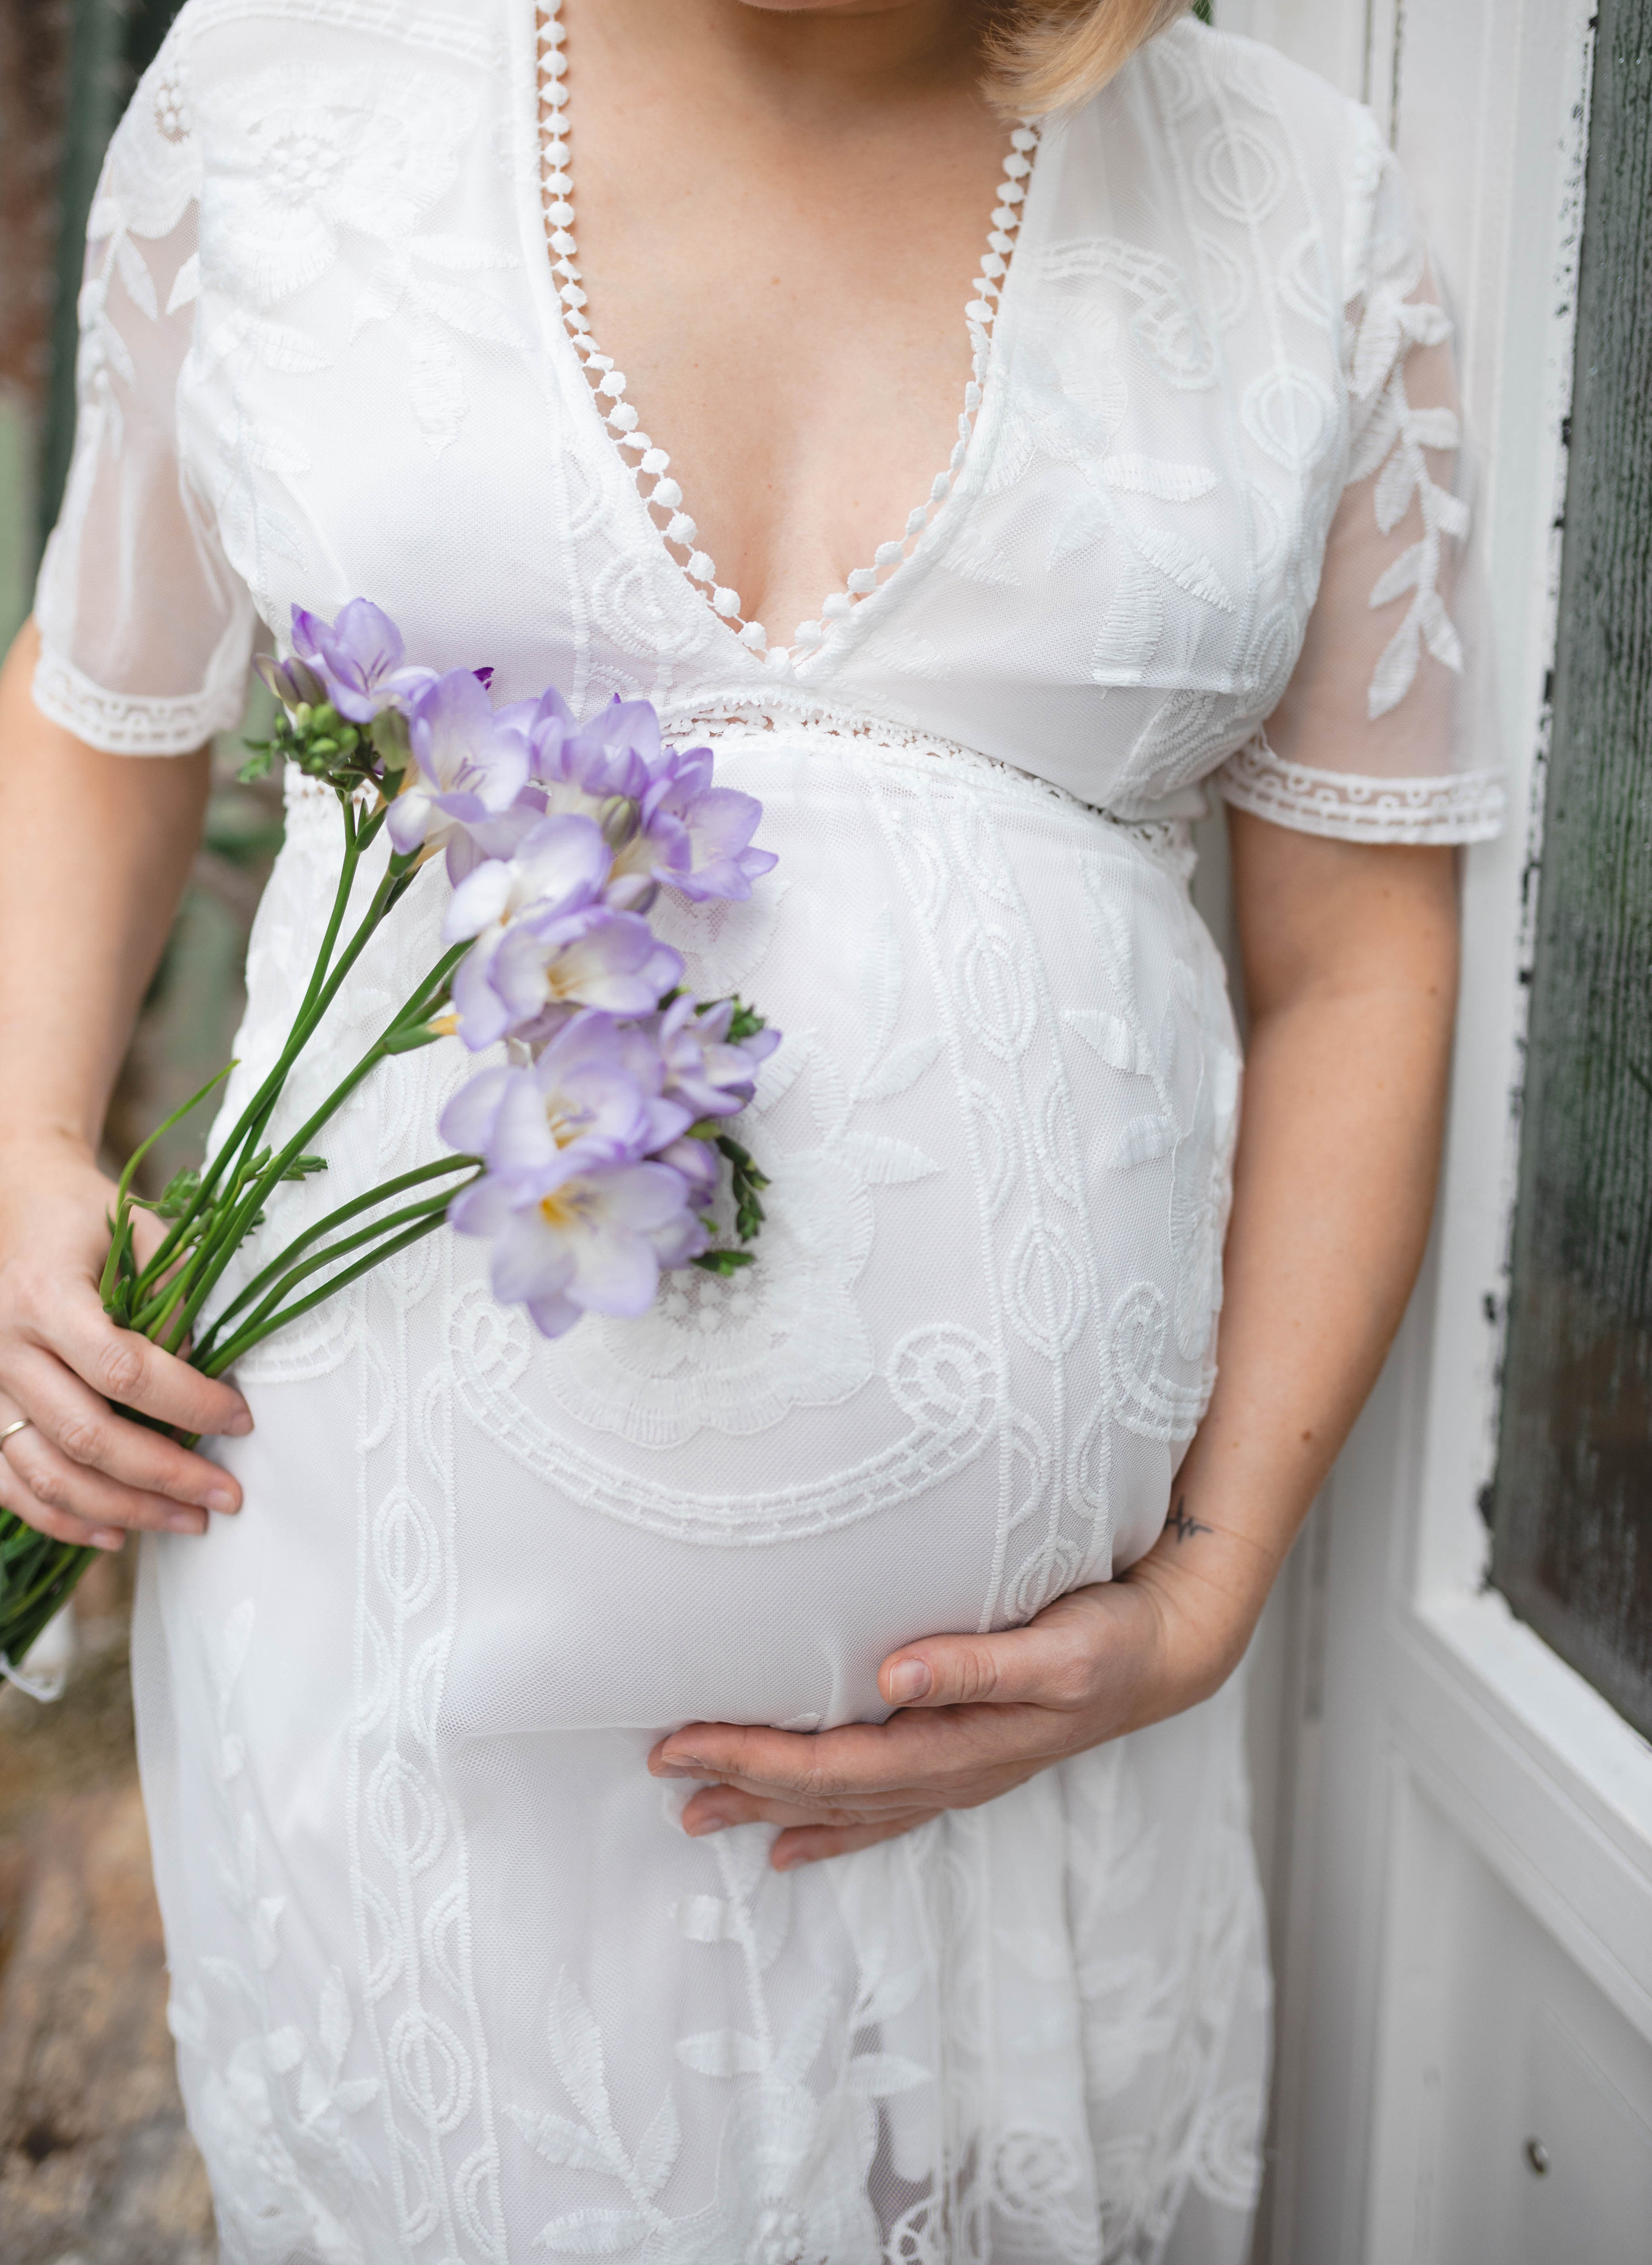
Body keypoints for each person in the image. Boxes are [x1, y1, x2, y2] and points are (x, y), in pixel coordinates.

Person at [0, 0, 1502, 2256]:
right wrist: (20, 1149)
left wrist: (1212, 1584)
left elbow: (1359, 956)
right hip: (389, 1671)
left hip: (1024, 1772)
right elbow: (104, 702)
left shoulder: (1297, 201)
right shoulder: (277, 87)